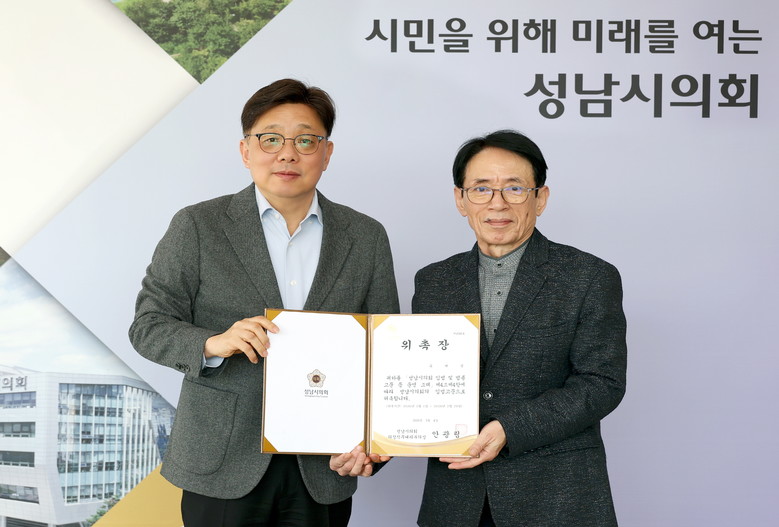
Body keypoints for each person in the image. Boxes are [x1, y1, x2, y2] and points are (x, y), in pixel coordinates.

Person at [129, 78, 399, 527]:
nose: (287, 154)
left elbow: (386, 351)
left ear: (327, 153)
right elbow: (148, 325)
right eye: (270, 139)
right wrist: (213, 343)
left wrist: (375, 442)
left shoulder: (366, 236)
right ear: (245, 150)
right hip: (222, 460)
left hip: (324, 464)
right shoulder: (198, 225)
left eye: (305, 140)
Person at [412, 130, 627, 526]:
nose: (497, 203)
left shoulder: (589, 276)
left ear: (540, 198)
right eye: (481, 189)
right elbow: (417, 381)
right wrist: (379, 440)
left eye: (514, 188)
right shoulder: (433, 282)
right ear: (460, 199)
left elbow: (602, 383)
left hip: (556, 498)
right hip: (455, 500)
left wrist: (509, 429)